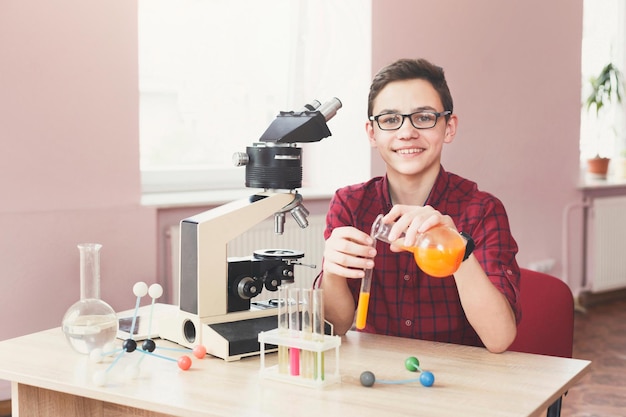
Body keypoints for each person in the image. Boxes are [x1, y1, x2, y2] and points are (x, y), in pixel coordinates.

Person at [319, 58, 520, 353]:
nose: (406, 132)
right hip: (376, 376)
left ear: (449, 128)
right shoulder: (350, 205)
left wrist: (456, 248)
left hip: (461, 383)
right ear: (372, 133)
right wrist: (333, 271)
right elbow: (333, 328)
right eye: (389, 120)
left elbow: (499, 338)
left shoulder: (482, 210)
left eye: (424, 117)